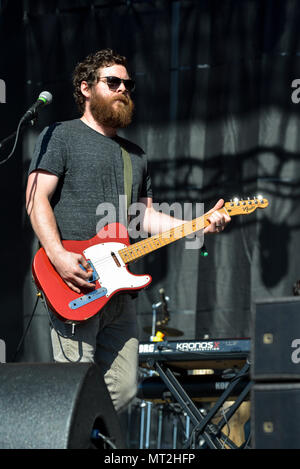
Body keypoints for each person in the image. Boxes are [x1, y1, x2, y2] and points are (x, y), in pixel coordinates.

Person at [26, 48, 231, 414]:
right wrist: (57, 256)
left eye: (128, 84)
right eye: (113, 82)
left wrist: (199, 224)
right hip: (77, 280)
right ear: (86, 88)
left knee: (123, 391)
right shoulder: (61, 135)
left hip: (119, 290)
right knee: (73, 391)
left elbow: (144, 217)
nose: (123, 89)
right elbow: (36, 198)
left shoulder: (134, 155)